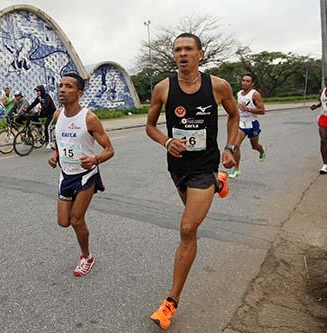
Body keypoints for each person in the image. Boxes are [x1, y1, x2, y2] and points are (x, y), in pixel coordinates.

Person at [145, 32, 239, 330]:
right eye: (177, 50)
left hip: (205, 166)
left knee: (187, 228)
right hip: (178, 168)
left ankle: (170, 302)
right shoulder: (163, 89)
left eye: (187, 49)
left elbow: (234, 117)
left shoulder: (218, 86)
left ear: (201, 53)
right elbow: (149, 126)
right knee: (192, 227)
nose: (182, 54)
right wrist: (166, 141)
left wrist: (231, 147)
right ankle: (219, 184)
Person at [48, 73, 114, 277]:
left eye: (68, 86)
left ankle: (86, 257)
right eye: (60, 86)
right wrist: (56, 154)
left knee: (77, 220)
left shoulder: (89, 118)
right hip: (66, 174)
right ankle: (85, 250)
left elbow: (109, 149)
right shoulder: (58, 115)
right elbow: (59, 139)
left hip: (86, 175)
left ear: (79, 93)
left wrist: (95, 160)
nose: (62, 90)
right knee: (63, 221)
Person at [229, 73, 266, 179]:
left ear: (252, 83)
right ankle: (236, 169)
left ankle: (261, 150)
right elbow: (238, 107)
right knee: (235, 145)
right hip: (241, 123)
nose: (245, 83)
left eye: (248, 81)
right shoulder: (239, 94)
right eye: (243, 80)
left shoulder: (255, 94)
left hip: (252, 124)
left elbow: (262, 111)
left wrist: (248, 109)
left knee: (254, 146)